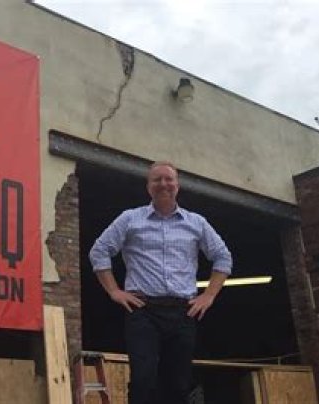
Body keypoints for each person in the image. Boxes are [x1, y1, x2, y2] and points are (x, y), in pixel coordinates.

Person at [89, 161, 233, 404]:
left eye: (169, 179)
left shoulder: (196, 223)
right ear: (148, 187)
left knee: (178, 382)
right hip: (143, 311)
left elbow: (223, 257)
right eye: (157, 179)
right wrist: (114, 291)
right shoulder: (130, 219)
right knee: (143, 378)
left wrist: (209, 295)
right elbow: (99, 251)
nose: (163, 184)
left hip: (183, 311)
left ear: (177, 185)